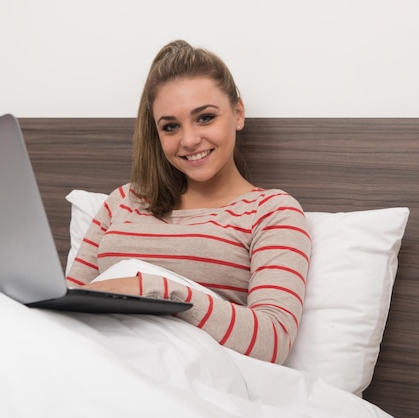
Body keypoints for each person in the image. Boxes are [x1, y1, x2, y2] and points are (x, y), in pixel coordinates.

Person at [66, 40, 311, 364]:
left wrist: (159, 292)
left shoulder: (271, 212)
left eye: (205, 118)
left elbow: (272, 341)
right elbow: (66, 307)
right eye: (170, 126)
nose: (189, 139)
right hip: (91, 363)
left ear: (238, 113)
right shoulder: (123, 200)